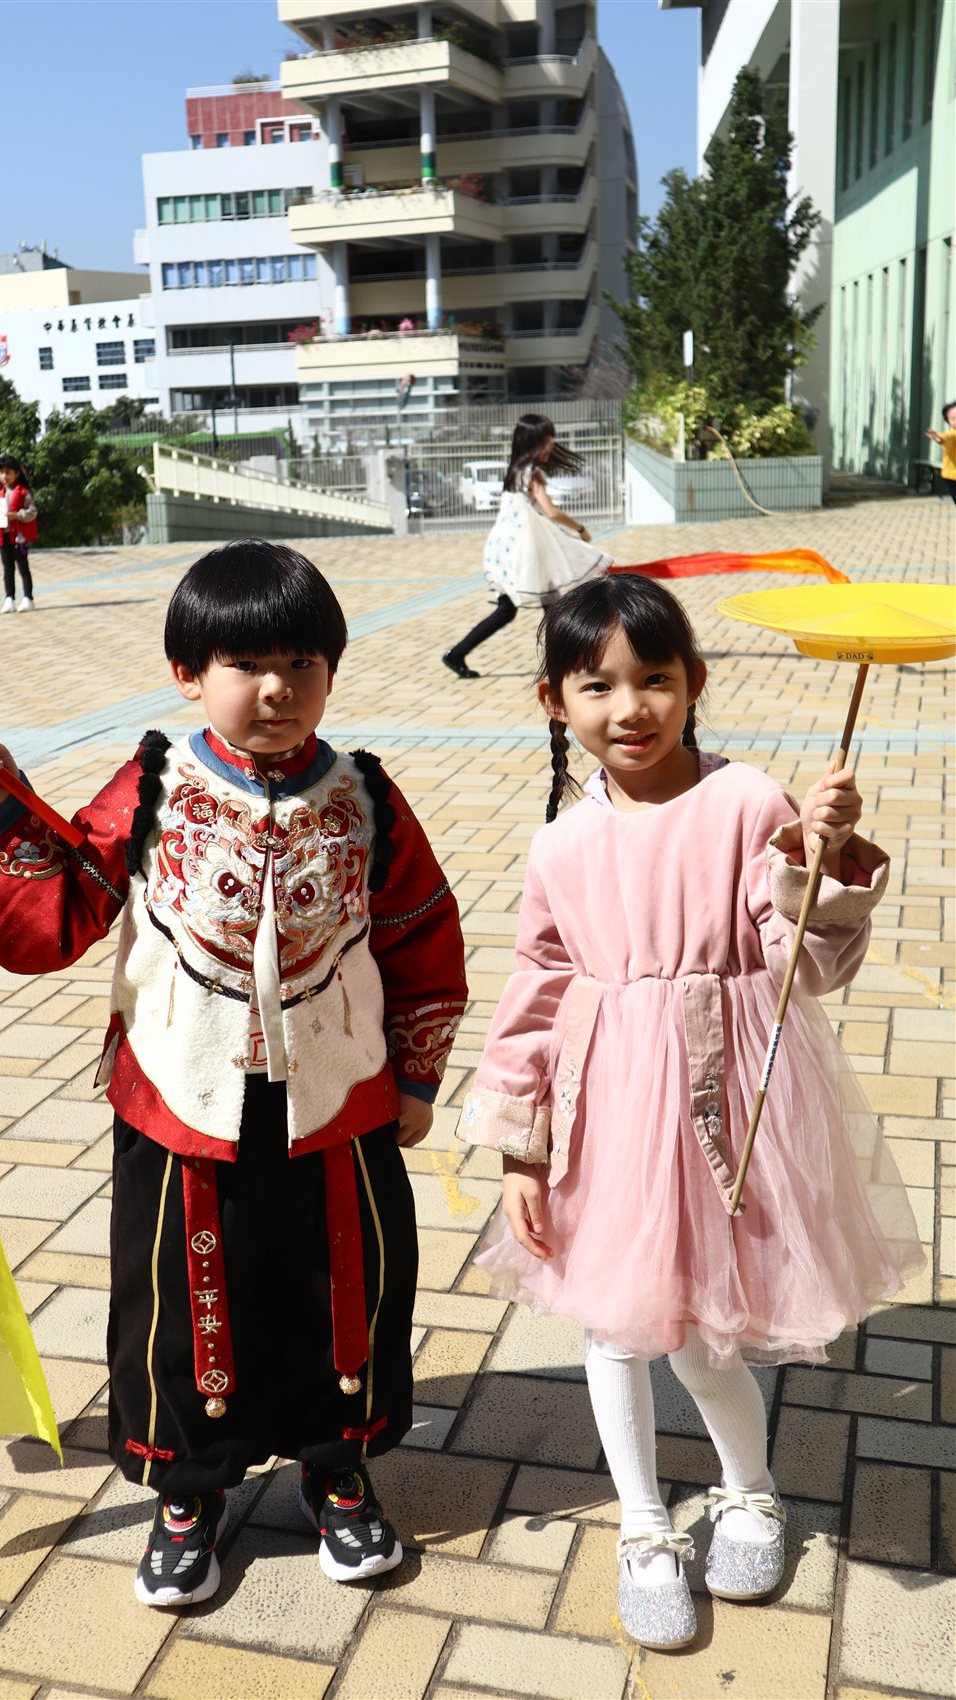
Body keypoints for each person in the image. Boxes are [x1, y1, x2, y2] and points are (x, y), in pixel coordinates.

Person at [0, 540, 467, 1609]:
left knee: (341, 1287)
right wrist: (9, 814)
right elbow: (60, 913)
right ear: (188, 674)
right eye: (246, 663)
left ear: (331, 671)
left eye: (302, 663)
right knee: (182, 1301)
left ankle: (337, 1468)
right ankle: (189, 1491)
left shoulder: (364, 793)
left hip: (335, 1094)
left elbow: (420, 931)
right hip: (182, 1095)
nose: (277, 688)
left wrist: (415, 1079)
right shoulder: (152, 785)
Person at [457, 574, 922, 1651]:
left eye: (654, 679)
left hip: (727, 1099)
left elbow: (806, 964)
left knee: (708, 1337)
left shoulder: (747, 801)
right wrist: (520, 1148)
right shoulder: (559, 844)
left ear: (693, 683)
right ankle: (641, 1525)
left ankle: (751, 1490)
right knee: (613, 1329)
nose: (629, 707)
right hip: (607, 1109)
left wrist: (814, 857)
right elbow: (537, 988)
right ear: (552, 699)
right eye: (596, 685)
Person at [441, 413, 612, 680]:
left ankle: (458, 654)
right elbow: (551, 511)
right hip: (521, 551)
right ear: (534, 442)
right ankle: (564, 664)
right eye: (547, 442)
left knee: (519, 609)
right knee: (541, 608)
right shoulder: (531, 473)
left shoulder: (515, 470)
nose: (550, 447)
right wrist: (580, 529)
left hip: (506, 549)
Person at [0, 456, 37, 612]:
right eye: (1, 473)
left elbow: (32, 512)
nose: (4, 476)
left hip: (18, 537)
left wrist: (18, 515)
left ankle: (28, 598)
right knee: (7, 569)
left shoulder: (23, 492)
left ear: (17, 473)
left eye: (8, 472)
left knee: (23, 568)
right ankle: (9, 598)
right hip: (4, 536)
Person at [924, 401, 956, 503]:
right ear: (948, 422)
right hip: (952, 476)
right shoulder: (952, 434)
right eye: (953, 419)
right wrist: (937, 438)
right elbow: (944, 438)